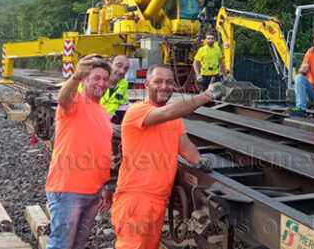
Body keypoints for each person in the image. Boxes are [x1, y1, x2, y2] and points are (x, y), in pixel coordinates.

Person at [112, 64, 213, 248]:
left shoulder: (174, 118)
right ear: (146, 85)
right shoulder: (137, 111)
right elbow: (167, 111)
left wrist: (198, 160)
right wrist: (206, 96)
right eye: (158, 81)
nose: (164, 86)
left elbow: (184, 145)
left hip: (158, 200)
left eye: (169, 82)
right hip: (136, 199)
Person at [44, 54, 113, 249]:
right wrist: (75, 76)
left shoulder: (101, 111)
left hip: (93, 192)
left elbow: (103, 150)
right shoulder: (74, 103)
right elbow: (62, 98)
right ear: (84, 80)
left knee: (78, 244)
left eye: (105, 79)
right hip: (68, 191)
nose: (101, 83)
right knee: (61, 244)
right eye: (96, 78)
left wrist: (105, 186)